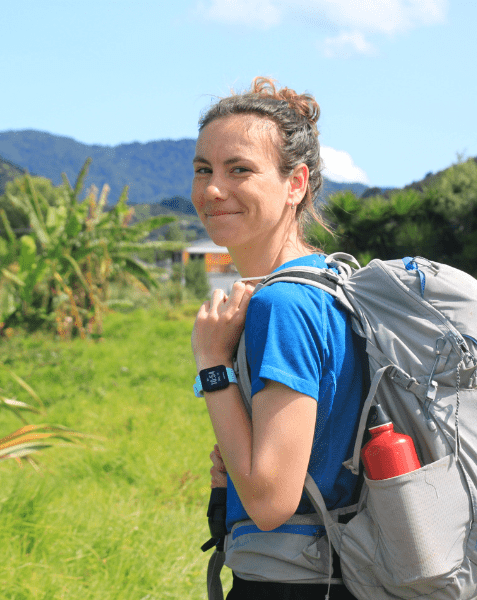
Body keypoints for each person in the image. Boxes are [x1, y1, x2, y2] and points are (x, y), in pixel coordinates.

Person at [190, 77, 365, 599]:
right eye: (203, 169)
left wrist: (211, 363)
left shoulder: (282, 304)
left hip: (293, 583)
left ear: (296, 184)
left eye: (239, 169)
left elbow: (269, 501)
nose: (212, 189)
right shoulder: (330, 284)